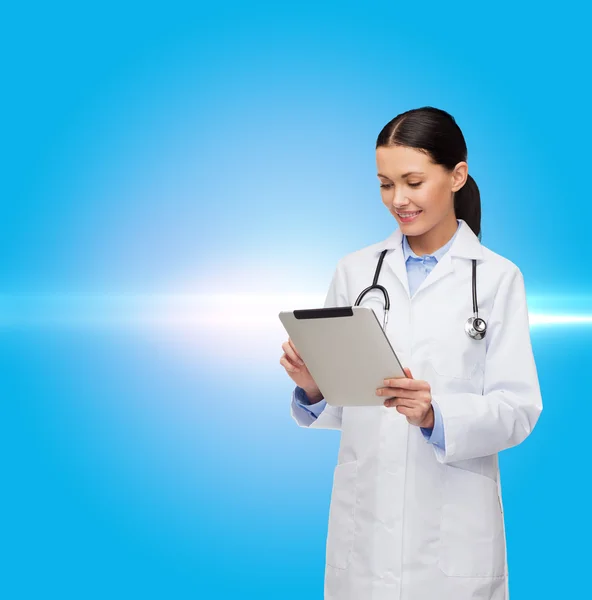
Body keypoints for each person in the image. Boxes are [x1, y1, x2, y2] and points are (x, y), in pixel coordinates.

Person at [279, 106, 542, 600]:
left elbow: (519, 409)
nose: (398, 199)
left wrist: (434, 415)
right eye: (385, 184)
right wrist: (314, 387)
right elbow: (347, 401)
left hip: (452, 544)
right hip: (365, 542)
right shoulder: (356, 272)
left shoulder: (496, 278)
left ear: (457, 176)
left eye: (413, 182)